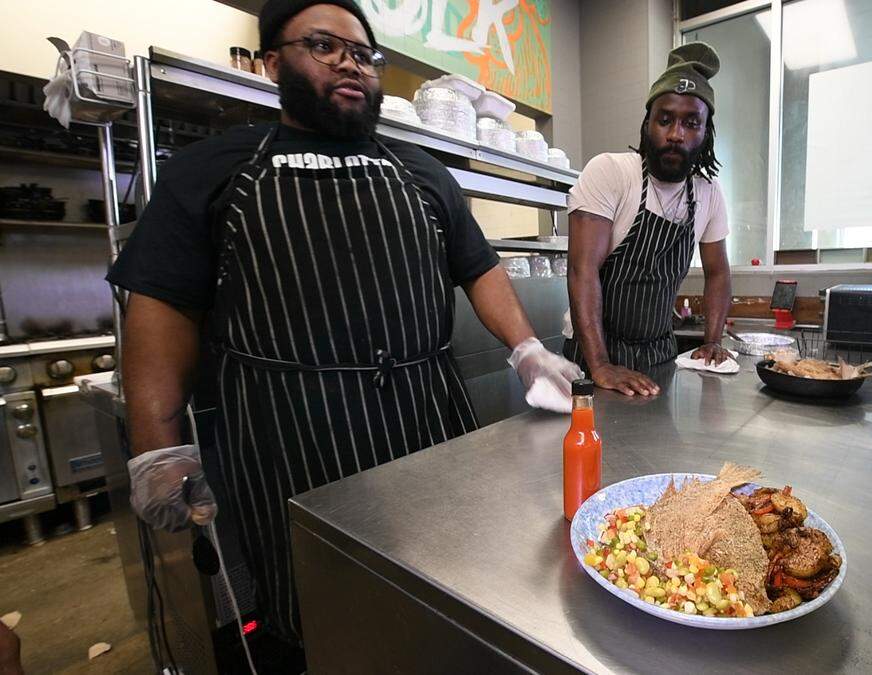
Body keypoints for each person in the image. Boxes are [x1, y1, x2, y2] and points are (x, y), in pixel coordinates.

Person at [107, 0, 580, 665]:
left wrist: (527, 347)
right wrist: (158, 449)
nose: (349, 63)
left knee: (439, 588)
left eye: (362, 53)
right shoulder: (214, 171)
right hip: (290, 443)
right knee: (318, 609)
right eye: (324, 47)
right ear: (273, 62)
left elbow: (479, 268)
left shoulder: (421, 171)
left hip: (425, 428)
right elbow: (161, 310)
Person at [564, 42, 732, 396]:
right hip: (595, 352)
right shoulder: (611, 173)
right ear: (647, 123)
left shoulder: (708, 193)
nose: (675, 134)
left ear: (706, 133)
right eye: (665, 119)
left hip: (660, 354)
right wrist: (601, 366)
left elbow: (718, 273)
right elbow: (582, 270)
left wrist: (713, 341)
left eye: (691, 123)